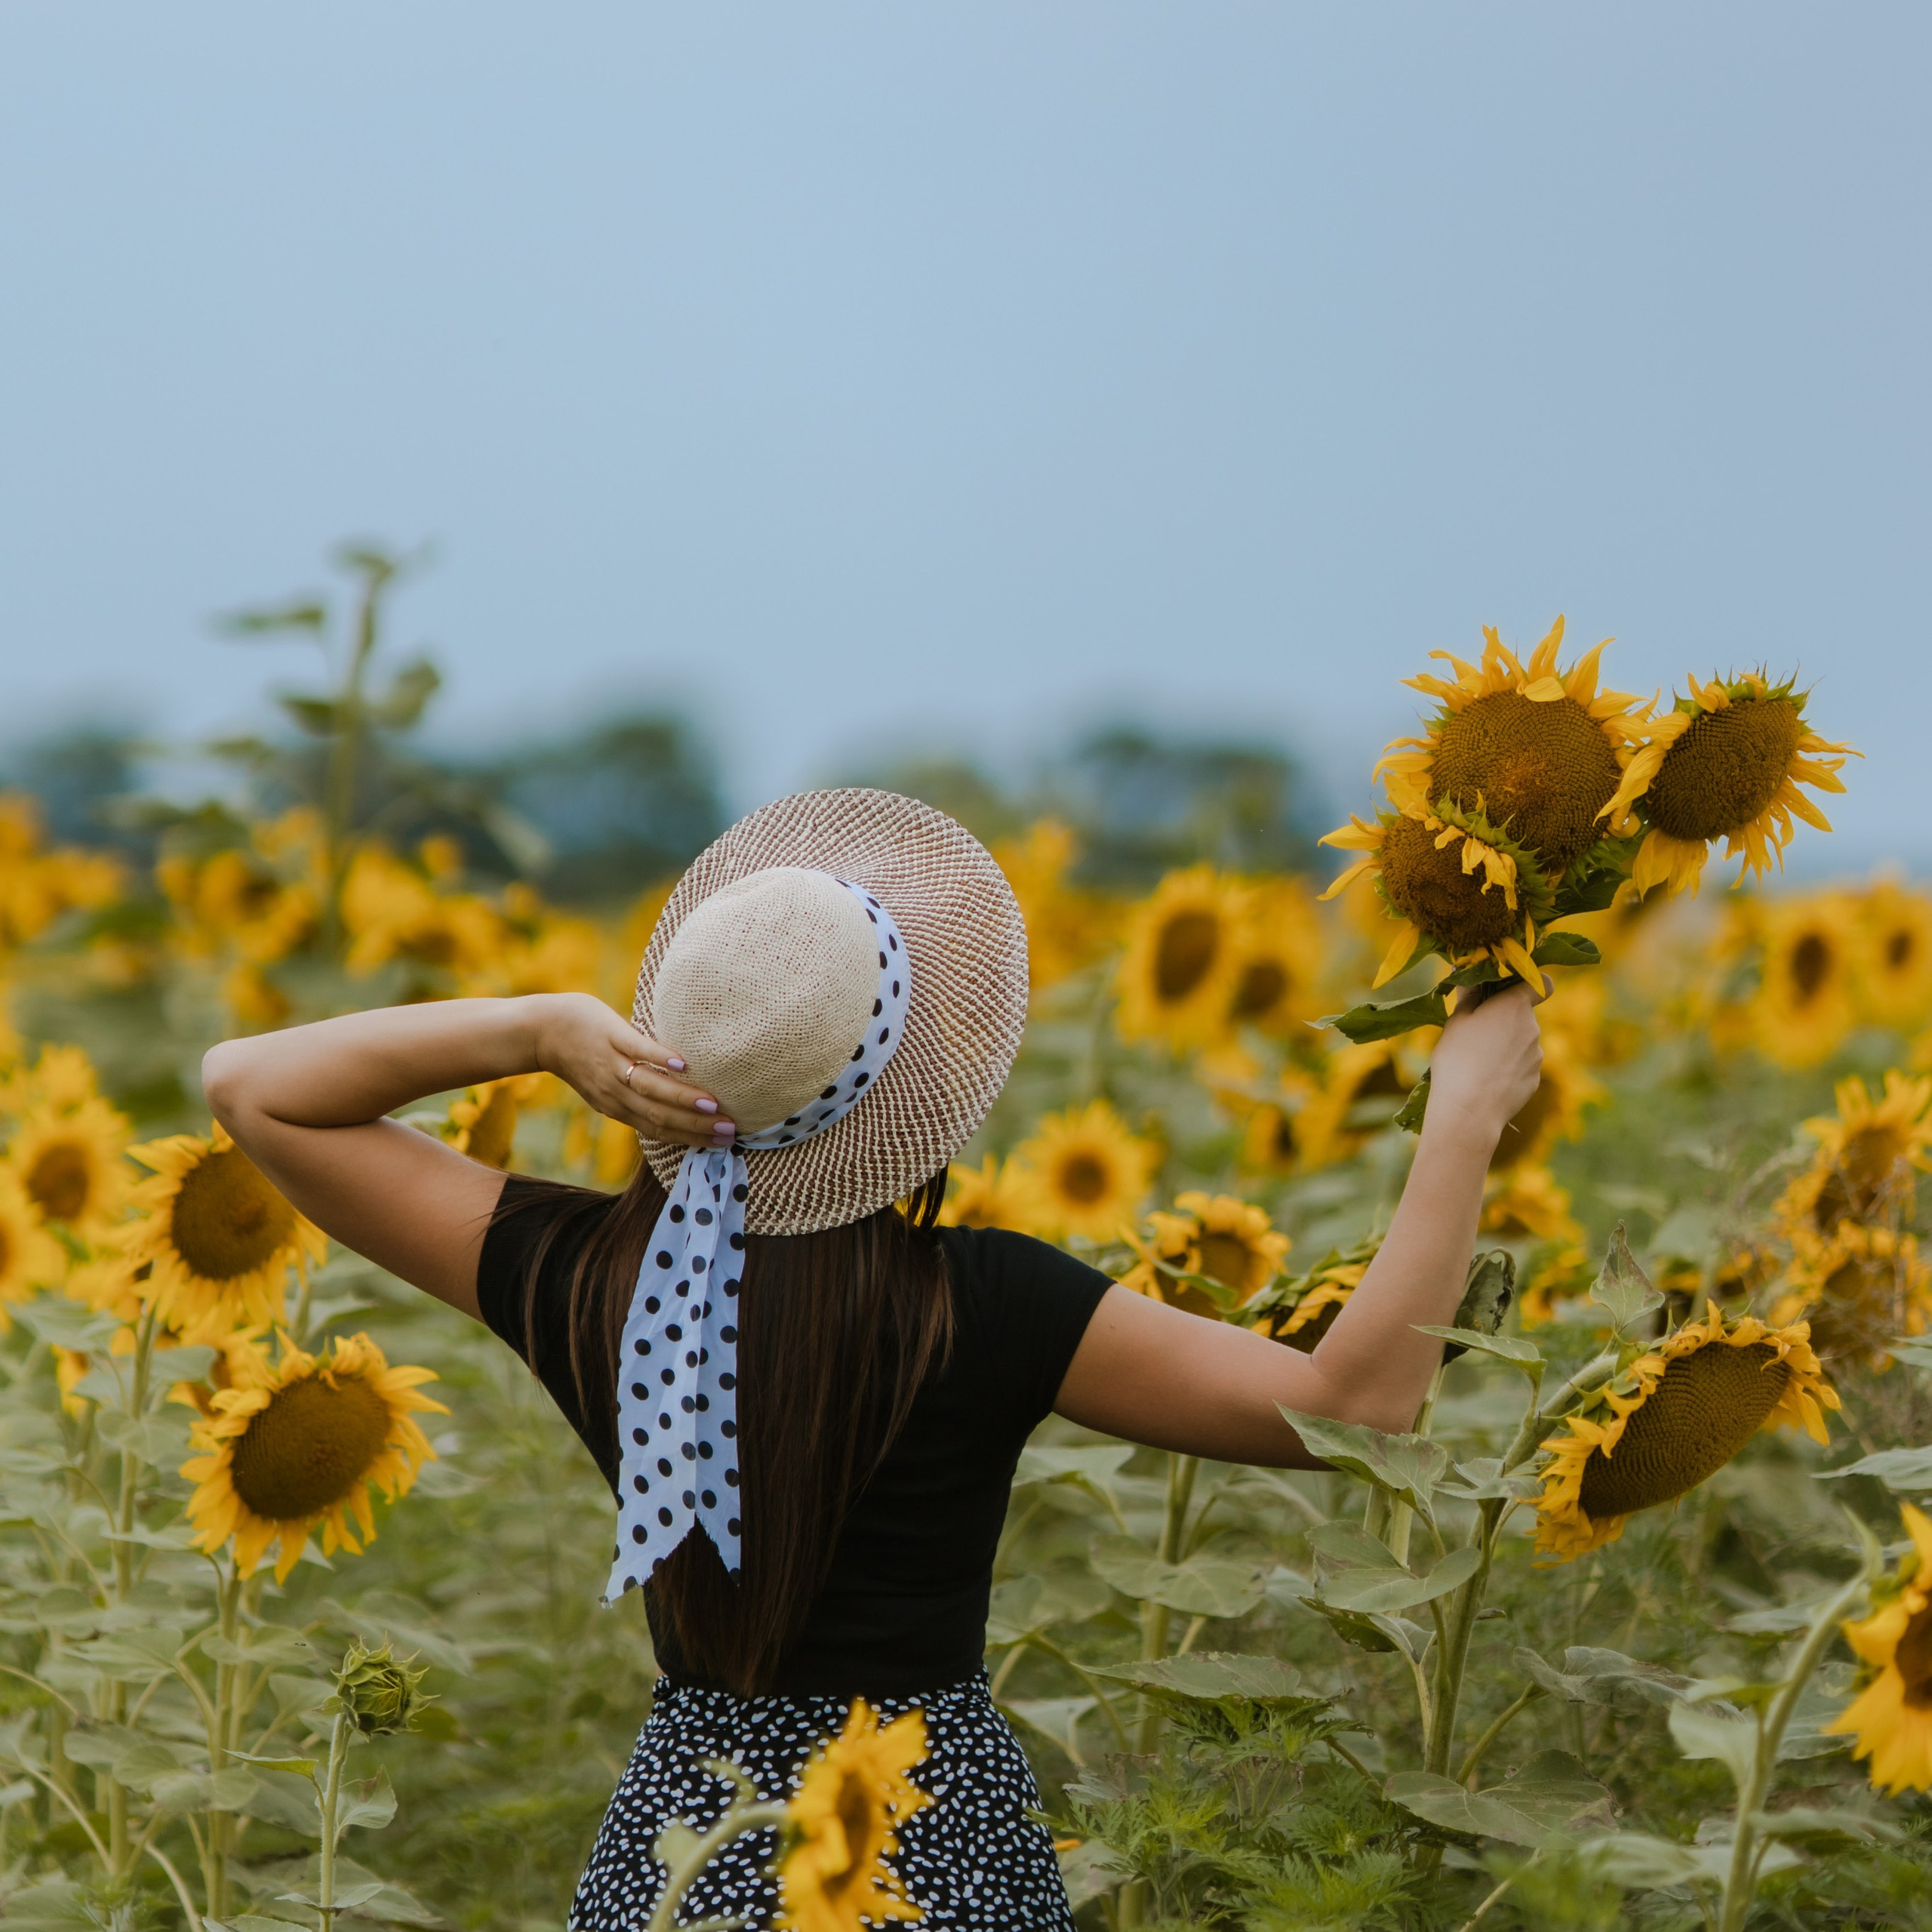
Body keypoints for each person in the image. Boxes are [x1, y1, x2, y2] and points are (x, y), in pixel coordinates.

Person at [203, 787, 1542, 1930]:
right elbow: (1357, 1400)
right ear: (917, 1087)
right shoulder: (984, 1305)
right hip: (929, 1829)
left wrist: (540, 1028)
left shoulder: (586, 1278)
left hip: (687, 1846)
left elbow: (251, 1084)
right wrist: (1466, 1116)